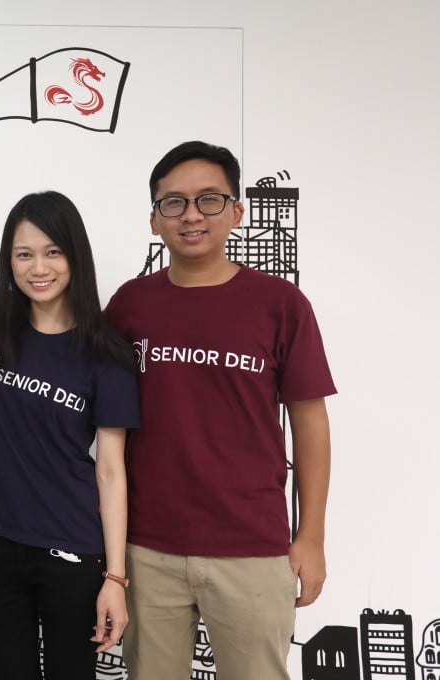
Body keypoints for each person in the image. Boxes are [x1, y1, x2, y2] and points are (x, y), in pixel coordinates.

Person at [104, 141, 336, 680]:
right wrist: (7, 307)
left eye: (209, 200)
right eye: (173, 203)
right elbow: (68, 357)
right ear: (154, 219)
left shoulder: (281, 305)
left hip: (251, 546)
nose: (191, 215)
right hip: (147, 547)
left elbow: (310, 424)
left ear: (236, 211)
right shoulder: (130, 305)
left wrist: (312, 537)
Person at [0, 191, 139, 680]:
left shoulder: (107, 355)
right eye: (23, 254)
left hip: (72, 556)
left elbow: (110, 470)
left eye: (52, 252)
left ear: (74, 256)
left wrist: (115, 579)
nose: (37, 267)